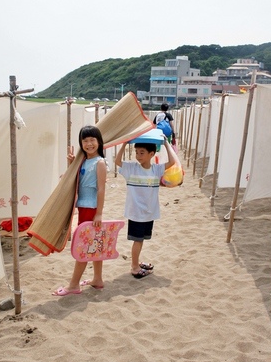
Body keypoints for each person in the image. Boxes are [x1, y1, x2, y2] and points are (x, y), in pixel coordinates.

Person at [52, 125, 107, 296]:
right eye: (85, 141)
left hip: (90, 209)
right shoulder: (84, 160)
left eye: (92, 140)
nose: (89, 144)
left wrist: (98, 213)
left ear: (99, 142)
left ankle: (74, 285)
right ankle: (97, 279)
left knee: (83, 246)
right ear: (81, 143)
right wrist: (71, 163)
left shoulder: (99, 162)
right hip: (83, 206)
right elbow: (74, 180)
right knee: (95, 243)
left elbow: (101, 189)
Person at [115, 137, 178, 278]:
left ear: (151, 154)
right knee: (138, 240)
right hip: (136, 212)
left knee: (141, 240)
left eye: (141, 153)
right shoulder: (131, 168)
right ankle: (135, 267)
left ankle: (136, 263)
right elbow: (117, 161)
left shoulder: (156, 169)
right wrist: (124, 144)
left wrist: (166, 143)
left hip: (149, 212)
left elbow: (172, 161)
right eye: (136, 152)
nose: (138, 156)